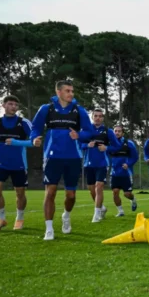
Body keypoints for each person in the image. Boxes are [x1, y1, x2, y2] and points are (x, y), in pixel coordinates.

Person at [30, 79, 97, 240]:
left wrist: (79, 135)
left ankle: (66, 216)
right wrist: (34, 139)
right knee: (50, 192)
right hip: (52, 156)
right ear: (58, 92)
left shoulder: (79, 111)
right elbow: (35, 128)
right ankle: (49, 228)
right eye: (68, 91)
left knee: (71, 195)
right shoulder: (46, 109)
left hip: (73, 157)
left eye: (72, 91)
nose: (71, 94)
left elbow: (90, 132)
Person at [0, 95, 33, 231]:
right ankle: (1, 219)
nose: (13, 107)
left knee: (20, 193)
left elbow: (34, 141)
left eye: (15, 105)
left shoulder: (24, 122)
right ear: (3, 105)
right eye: (10, 104)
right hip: (0, 161)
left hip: (19, 163)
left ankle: (19, 218)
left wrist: (16, 142)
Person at [81, 108, 120, 223]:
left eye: (100, 116)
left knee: (99, 187)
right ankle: (102, 208)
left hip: (102, 163)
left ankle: (96, 214)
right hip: (88, 163)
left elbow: (117, 146)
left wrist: (106, 148)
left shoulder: (108, 132)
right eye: (96, 116)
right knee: (92, 189)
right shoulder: (86, 130)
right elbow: (78, 144)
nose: (98, 118)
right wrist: (87, 145)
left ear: (103, 118)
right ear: (92, 117)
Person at [107, 125, 139, 217]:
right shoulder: (110, 144)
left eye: (119, 131)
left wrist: (128, 164)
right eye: (115, 131)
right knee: (115, 192)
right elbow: (107, 155)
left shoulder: (129, 143)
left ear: (123, 133)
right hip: (114, 173)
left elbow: (135, 157)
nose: (117, 133)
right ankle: (120, 211)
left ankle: (133, 200)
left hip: (126, 173)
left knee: (127, 194)